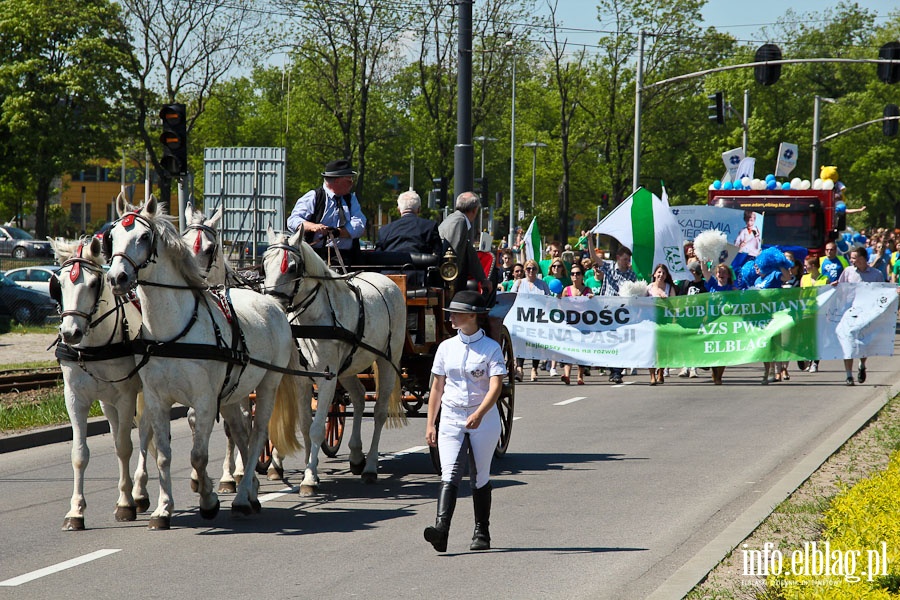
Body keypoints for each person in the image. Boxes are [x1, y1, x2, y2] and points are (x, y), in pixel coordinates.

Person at [424, 290, 507, 552]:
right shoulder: (445, 348)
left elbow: (496, 387)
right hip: (451, 415)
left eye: (457, 313)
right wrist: (430, 423)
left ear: (473, 316)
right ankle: (441, 531)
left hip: (483, 418)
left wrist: (480, 413)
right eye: (451, 313)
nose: (451, 318)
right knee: (448, 473)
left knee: (480, 475)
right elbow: (437, 387)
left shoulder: (491, 348)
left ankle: (482, 532)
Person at [287, 159, 367, 258]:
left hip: (347, 257)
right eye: (349, 180)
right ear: (337, 181)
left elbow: (360, 224)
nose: (352, 183)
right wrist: (313, 227)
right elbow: (293, 220)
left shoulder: (351, 199)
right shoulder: (314, 197)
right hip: (314, 257)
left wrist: (337, 232)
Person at [836, 247, 886, 386]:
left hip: (867, 314)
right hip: (850, 312)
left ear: (863, 258)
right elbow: (840, 288)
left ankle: (862, 365)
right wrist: (833, 286)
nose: (851, 260)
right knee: (847, 343)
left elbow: (883, 292)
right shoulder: (848, 272)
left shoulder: (877, 274)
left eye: (854, 257)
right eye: (851, 258)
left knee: (863, 344)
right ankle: (848, 375)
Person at [593, 246, 636, 384]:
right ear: (618, 258)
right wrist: (589, 240)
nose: (627, 262)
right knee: (607, 340)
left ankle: (617, 372)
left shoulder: (631, 274)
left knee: (619, 341)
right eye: (624, 259)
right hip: (606, 310)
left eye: (628, 260)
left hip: (621, 313)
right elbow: (594, 258)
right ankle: (612, 369)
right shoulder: (609, 267)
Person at [438, 192, 491, 294]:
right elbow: (453, 255)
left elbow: (469, 251)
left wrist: (482, 279)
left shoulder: (453, 218)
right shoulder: (459, 222)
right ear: (475, 210)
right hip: (448, 284)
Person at [510, 259, 552, 381]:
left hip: (537, 319)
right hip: (522, 318)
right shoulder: (519, 283)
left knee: (535, 344)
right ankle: (520, 368)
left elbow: (549, 299)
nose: (531, 271)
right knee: (520, 343)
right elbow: (511, 298)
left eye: (533, 268)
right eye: (528, 269)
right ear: (525, 270)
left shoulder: (542, 283)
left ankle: (534, 369)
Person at [375, 190, 442, 255]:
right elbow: (439, 255)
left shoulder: (384, 231)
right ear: (419, 209)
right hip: (420, 266)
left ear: (398, 210)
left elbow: (377, 258)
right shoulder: (430, 227)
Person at [701, 261, 734, 384]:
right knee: (713, 349)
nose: (721, 274)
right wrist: (703, 257)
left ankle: (719, 376)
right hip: (712, 322)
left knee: (723, 350)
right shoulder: (712, 284)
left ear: (729, 275)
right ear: (716, 274)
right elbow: (704, 271)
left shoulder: (732, 289)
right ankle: (715, 373)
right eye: (719, 272)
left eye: (724, 272)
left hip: (726, 323)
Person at [559, 266, 592, 385]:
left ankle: (579, 376)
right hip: (570, 324)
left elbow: (593, 306)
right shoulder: (566, 290)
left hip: (583, 324)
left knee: (581, 350)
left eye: (578, 273)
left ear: (582, 276)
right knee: (568, 349)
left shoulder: (587, 290)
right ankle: (567, 375)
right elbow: (561, 306)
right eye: (572, 274)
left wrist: (591, 299)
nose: (575, 276)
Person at [647, 263, 676, 385]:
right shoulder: (648, 288)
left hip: (665, 322)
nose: (661, 275)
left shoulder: (669, 288)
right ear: (654, 274)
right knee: (651, 349)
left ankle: (661, 371)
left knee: (663, 349)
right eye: (659, 272)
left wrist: (666, 301)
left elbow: (676, 304)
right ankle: (652, 375)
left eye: (663, 273)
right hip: (650, 322)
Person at [799, 255, 827, 373]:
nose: (805, 268)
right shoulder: (804, 278)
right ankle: (807, 358)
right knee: (807, 338)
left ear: (814, 266)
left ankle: (815, 362)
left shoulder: (825, 279)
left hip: (820, 313)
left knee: (817, 338)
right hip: (806, 312)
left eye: (807, 265)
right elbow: (800, 295)